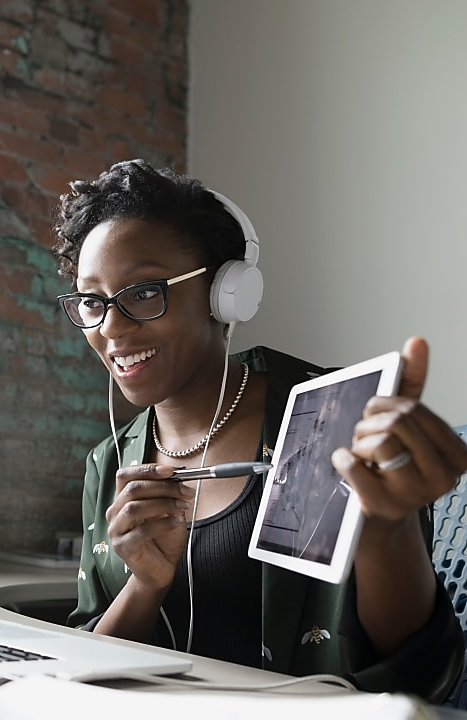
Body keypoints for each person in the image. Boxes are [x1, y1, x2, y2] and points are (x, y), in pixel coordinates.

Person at [51, 159, 467, 701]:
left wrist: (389, 529)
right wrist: (145, 585)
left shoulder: (330, 417)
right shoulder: (108, 461)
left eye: (145, 292)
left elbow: (415, 669)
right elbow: (87, 673)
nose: (111, 326)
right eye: (92, 302)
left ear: (228, 292)